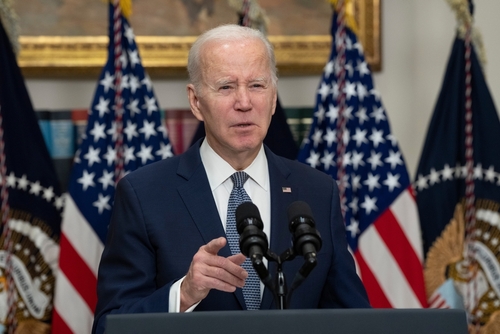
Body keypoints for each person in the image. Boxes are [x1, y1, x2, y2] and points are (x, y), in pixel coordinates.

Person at [92, 24, 370, 334]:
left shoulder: (318, 192)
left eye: (257, 86)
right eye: (226, 87)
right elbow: (108, 326)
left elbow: (352, 319)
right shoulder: (144, 195)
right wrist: (184, 294)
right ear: (196, 101)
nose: (244, 102)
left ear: (274, 97)